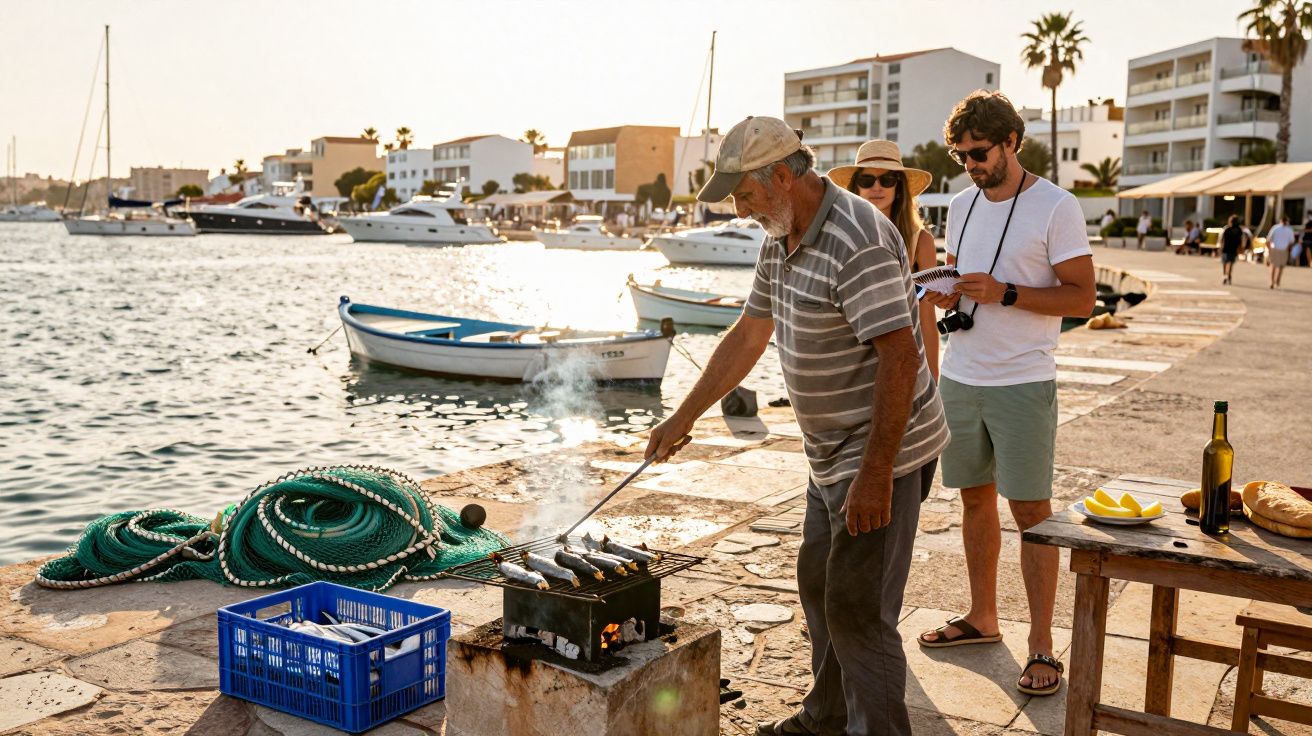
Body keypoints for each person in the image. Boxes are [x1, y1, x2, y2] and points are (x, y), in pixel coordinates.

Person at [646, 115, 948, 736]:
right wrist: (682, 417)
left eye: (744, 193)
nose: (738, 207)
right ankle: (826, 718)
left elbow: (900, 358)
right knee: (819, 581)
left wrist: (875, 477)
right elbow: (748, 336)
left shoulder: (855, 240)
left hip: (880, 454)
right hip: (829, 454)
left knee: (859, 611)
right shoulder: (779, 233)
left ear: (782, 177)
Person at [918, 90, 1096, 698]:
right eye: (960, 153)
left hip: (1023, 380)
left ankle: (1043, 642)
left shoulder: (1057, 206)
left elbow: (1081, 299)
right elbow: (961, 272)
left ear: (1012, 142)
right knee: (973, 503)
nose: (969, 163)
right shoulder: (961, 203)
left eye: (980, 152)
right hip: (962, 377)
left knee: (1032, 516)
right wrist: (950, 291)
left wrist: (1008, 294)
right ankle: (982, 617)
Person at [828, 140, 941, 379]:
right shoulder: (840, 239)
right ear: (855, 187)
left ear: (898, 187)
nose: (876, 187)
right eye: (867, 180)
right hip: (850, 363)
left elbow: (927, 318)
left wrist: (932, 379)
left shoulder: (920, 242)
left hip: (902, 361)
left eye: (887, 180)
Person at [1267, 216, 1296, 289]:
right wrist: (1289, 250)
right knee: (1281, 267)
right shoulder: (1290, 230)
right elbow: (1292, 242)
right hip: (1284, 250)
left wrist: (1269, 250)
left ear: (1280, 220)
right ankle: (1277, 281)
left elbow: (1268, 240)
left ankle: (1272, 282)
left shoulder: (1275, 228)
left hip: (1274, 248)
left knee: (1273, 266)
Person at [1221, 215, 1243, 284]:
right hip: (1234, 248)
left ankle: (1225, 275)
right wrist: (1240, 248)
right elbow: (1240, 240)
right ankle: (1229, 275)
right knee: (1230, 263)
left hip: (1226, 248)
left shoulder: (1227, 229)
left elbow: (1223, 239)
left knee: (1224, 263)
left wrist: (1221, 247)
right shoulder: (1239, 230)